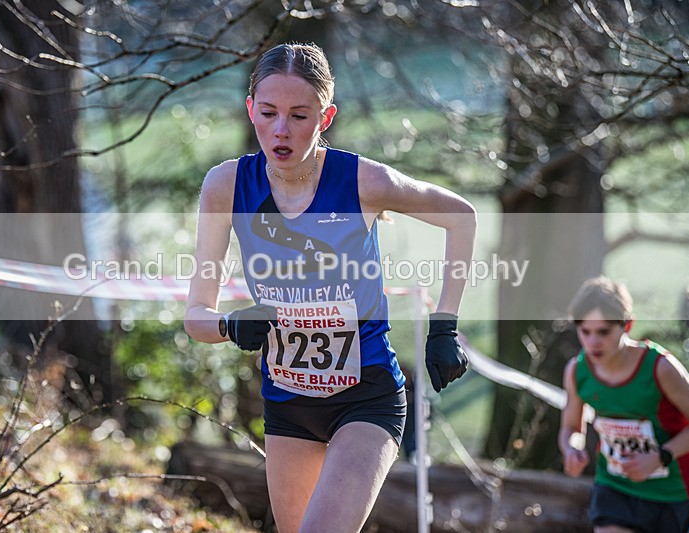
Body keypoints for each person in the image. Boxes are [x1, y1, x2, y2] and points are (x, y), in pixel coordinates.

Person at [185, 42, 476, 533]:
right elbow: (196, 315)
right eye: (269, 112)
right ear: (250, 108)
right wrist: (231, 326)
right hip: (288, 401)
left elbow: (461, 217)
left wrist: (444, 326)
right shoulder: (225, 186)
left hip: (366, 397)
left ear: (326, 117)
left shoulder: (364, 181)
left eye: (300, 115)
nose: (281, 130)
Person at [559, 276, 689, 533]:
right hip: (614, 486)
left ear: (627, 325)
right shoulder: (576, 371)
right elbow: (571, 427)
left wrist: (660, 457)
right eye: (584, 331)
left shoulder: (660, 368)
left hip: (670, 492)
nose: (592, 342)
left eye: (603, 332)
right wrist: (571, 450)